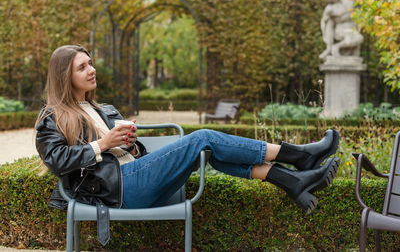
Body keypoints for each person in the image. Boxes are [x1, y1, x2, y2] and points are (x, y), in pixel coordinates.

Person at [35, 45, 341, 219]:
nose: (92, 69)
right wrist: (103, 144)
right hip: (119, 192)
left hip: (135, 179)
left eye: (91, 63)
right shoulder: (52, 117)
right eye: (82, 67)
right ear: (64, 76)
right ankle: (300, 156)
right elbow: (56, 160)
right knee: (203, 137)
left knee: (209, 149)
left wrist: (130, 145)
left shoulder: (105, 109)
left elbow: (129, 153)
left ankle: (291, 180)